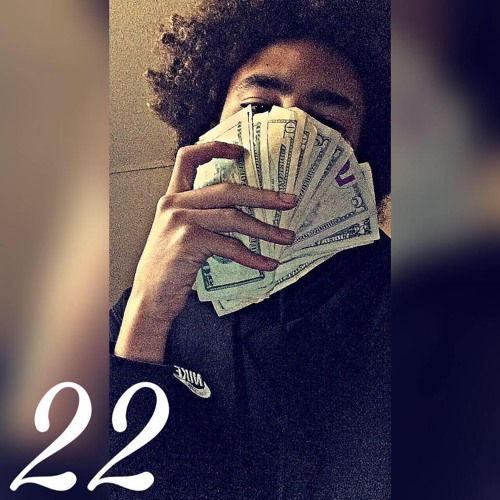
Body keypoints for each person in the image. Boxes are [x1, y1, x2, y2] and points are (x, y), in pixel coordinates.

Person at [110, 1, 390, 498]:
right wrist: (148, 312)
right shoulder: (144, 306)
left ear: (361, 153)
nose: (290, 129)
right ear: (210, 125)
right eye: (258, 107)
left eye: (325, 121)